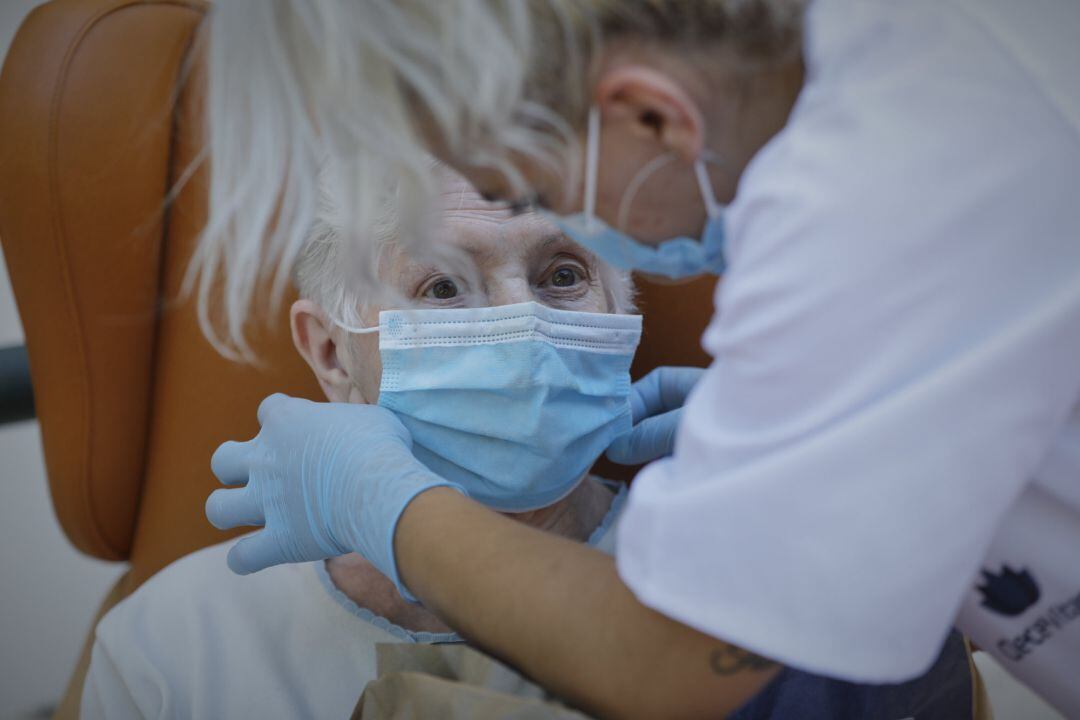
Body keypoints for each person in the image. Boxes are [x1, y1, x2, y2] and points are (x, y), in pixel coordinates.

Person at [198, 1, 1080, 718]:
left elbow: (668, 667)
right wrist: (853, 455)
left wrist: (379, 505)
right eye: (442, 289)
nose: (520, 326)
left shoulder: (871, 205)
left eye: (547, 218)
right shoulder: (185, 645)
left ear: (654, 116)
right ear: (328, 349)